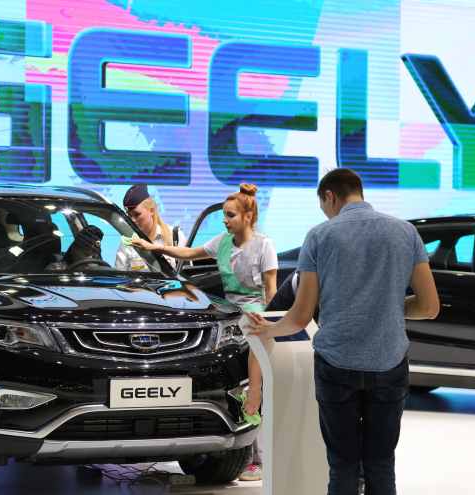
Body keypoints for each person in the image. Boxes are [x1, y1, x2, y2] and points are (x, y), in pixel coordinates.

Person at [245, 168, 439, 495]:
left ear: (330, 196)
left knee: (342, 465)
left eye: (324, 206)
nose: (325, 213)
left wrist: (271, 329)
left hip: (337, 366)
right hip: (389, 364)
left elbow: (300, 316)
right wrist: (388, 307)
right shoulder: (406, 233)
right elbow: (430, 307)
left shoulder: (320, 236)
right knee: (381, 463)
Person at [132, 183, 277, 482]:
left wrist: (271, 325)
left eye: (230, 215)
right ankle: (242, 453)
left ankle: (258, 460)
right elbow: (189, 252)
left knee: (254, 390)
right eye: (224, 215)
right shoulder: (223, 242)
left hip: (256, 319)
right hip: (230, 322)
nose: (225, 220)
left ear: (248, 217)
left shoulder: (264, 245)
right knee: (237, 392)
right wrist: (156, 248)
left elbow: (271, 292)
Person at [115, 184, 183, 271]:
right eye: (129, 215)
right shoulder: (128, 242)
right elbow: (120, 275)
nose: (133, 220)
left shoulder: (175, 236)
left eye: (137, 214)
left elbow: (187, 274)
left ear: (151, 210)